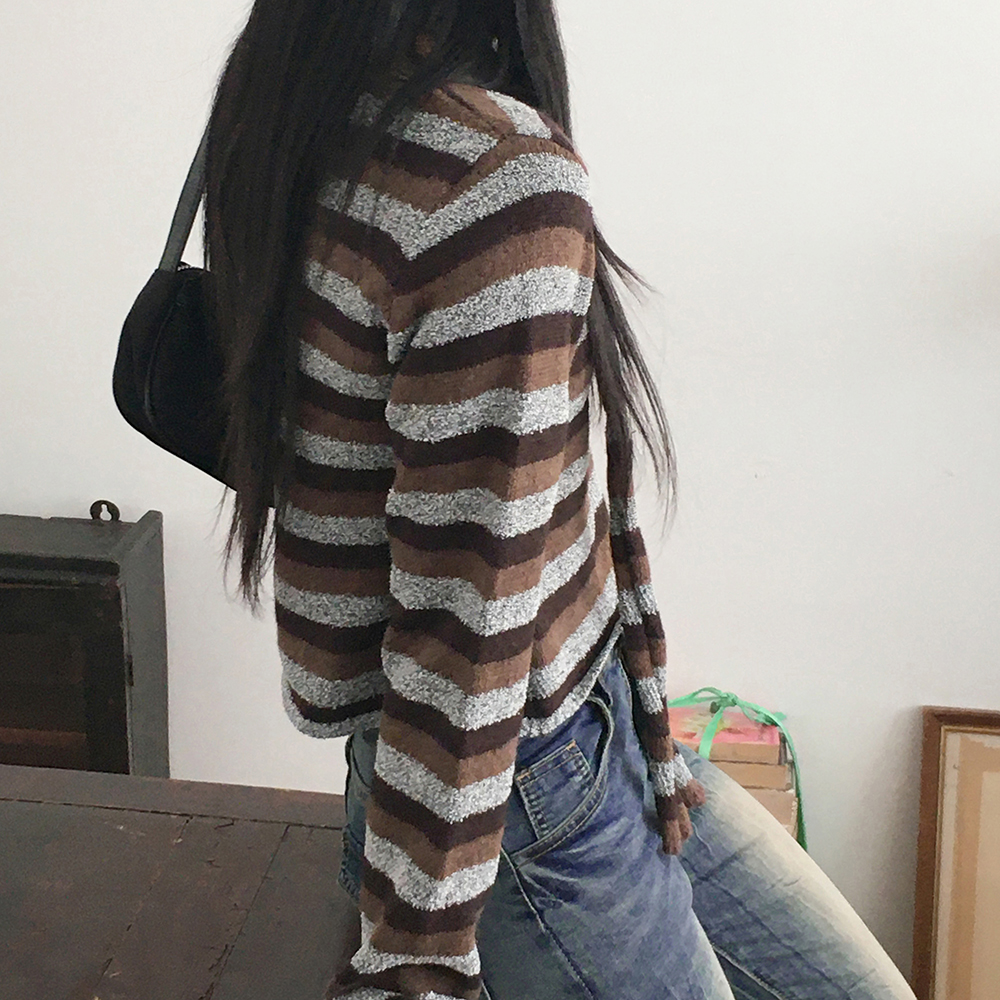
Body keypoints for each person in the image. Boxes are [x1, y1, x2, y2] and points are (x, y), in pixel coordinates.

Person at [203, 2, 919, 998]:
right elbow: (466, 609)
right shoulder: (492, 180)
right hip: (514, 792)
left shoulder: (295, 115)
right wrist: (416, 954)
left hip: (569, 736)